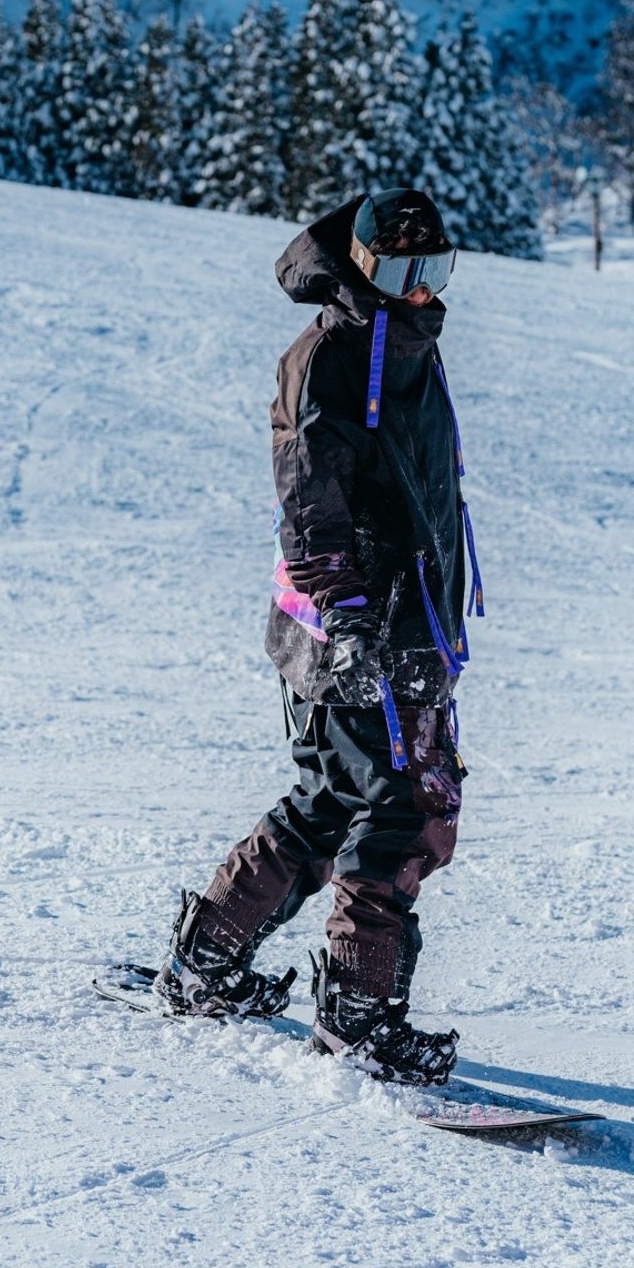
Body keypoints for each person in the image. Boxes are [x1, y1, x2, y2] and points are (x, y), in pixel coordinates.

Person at [152, 189, 481, 1086]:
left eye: (437, 273)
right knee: (403, 806)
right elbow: (307, 498)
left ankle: (209, 954)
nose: (423, 294)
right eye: (405, 274)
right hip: (356, 623)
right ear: (365, 266)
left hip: (403, 616)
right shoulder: (330, 355)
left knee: (336, 797)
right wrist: (345, 616)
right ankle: (358, 1017)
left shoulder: (406, 347)